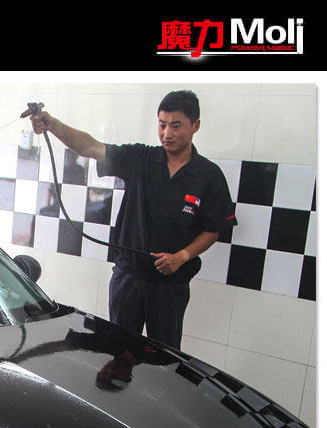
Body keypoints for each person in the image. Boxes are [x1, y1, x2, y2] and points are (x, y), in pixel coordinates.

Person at [30, 90, 237, 349]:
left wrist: (181, 256)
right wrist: (52, 124)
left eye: (175, 126)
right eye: (162, 125)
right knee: (119, 351)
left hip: (170, 285)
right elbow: (90, 147)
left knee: (164, 356)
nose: (167, 133)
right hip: (128, 277)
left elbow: (213, 230)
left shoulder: (209, 175)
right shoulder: (141, 158)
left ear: (195, 126)